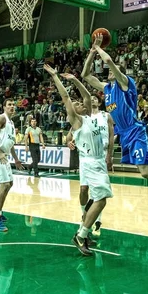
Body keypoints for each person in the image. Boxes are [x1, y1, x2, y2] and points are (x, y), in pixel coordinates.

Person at [82, 35, 148, 221]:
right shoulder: (107, 88)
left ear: (119, 73)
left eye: (112, 71)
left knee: (145, 172)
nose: (109, 73)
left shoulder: (125, 83)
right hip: (124, 134)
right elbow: (86, 75)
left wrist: (97, 46)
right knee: (143, 165)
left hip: (135, 130)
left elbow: (107, 60)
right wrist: (91, 53)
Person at [44, 64, 112, 256]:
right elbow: (65, 97)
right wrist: (56, 77)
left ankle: (84, 230)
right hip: (90, 162)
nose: (80, 104)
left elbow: (87, 97)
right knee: (100, 200)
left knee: (101, 200)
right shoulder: (77, 121)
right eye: (77, 104)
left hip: (98, 161)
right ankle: (81, 234)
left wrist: (75, 80)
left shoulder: (90, 116)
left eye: (81, 103)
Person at [66, 93, 115, 238]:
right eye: (90, 98)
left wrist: (109, 155)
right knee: (83, 189)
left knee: (98, 193)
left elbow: (111, 136)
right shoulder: (82, 117)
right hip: (86, 156)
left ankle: (97, 221)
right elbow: (69, 136)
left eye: (95, 98)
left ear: (99, 102)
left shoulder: (105, 116)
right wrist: (69, 142)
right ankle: (85, 217)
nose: (92, 99)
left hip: (101, 154)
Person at [0, 99, 25, 232]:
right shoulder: (1, 118)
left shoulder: (12, 123)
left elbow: (11, 143)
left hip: (4, 154)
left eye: (13, 105)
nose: (12, 107)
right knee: (4, 184)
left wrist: (16, 159)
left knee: (10, 183)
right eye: (9, 105)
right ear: (4, 107)